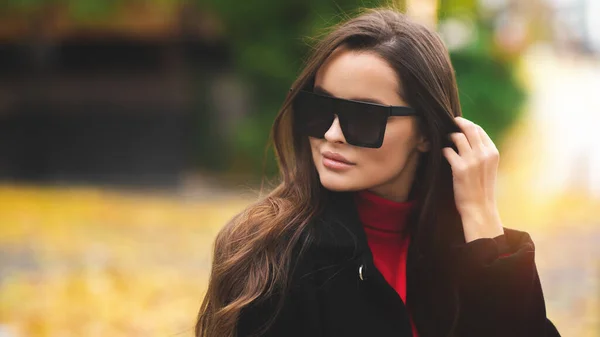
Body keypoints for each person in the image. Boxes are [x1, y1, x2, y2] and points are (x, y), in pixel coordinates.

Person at [195, 7, 561, 337]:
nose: (331, 135)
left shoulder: (467, 250)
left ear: (425, 134)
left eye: (364, 117)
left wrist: (483, 221)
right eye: (320, 108)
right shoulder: (267, 255)